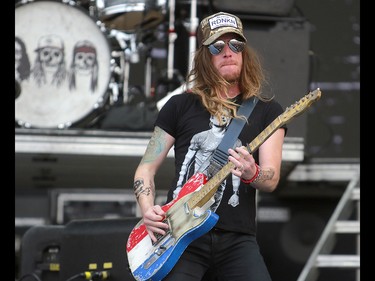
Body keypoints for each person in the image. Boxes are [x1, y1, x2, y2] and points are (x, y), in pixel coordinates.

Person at [132, 11, 287, 281]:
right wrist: (148, 210)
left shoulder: (267, 111)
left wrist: (253, 173)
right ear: (205, 56)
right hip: (181, 236)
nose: (228, 52)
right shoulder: (179, 106)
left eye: (236, 45)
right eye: (218, 46)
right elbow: (145, 169)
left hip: (236, 239)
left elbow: (271, 179)